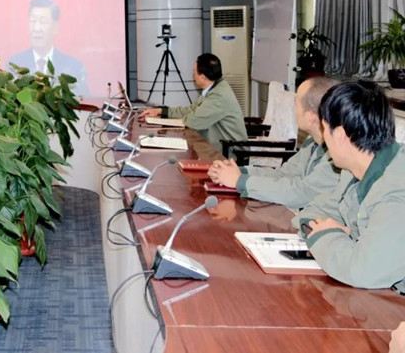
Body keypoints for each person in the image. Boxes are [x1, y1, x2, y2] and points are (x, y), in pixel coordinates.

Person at [293, 81, 405, 290]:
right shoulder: (355, 170)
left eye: (325, 129)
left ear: (340, 136)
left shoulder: (397, 189)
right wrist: (339, 237)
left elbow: (364, 271)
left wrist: (327, 234)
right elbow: (311, 213)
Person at [208, 77, 340, 208]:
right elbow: (284, 174)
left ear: (310, 117)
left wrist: (239, 181)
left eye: (296, 104)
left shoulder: (337, 155)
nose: (293, 109)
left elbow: (301, 193)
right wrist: (238, 172)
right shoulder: (312, 142)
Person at [138, 53, 247, 150]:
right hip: (215, 145)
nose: (193, 75)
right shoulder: (214, 88)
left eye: (194, 72)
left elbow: (194, 121)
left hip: (229, 153)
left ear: (203, 77)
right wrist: (161, 111)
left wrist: (163, 121)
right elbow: (191, 110)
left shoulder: (218, 96)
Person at [8, 0, 88, 95]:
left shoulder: (73, 67)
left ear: (55, 27)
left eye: (43, 21)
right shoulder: (15, 64)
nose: (37, 28)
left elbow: (83, 100)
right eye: (33, 21)